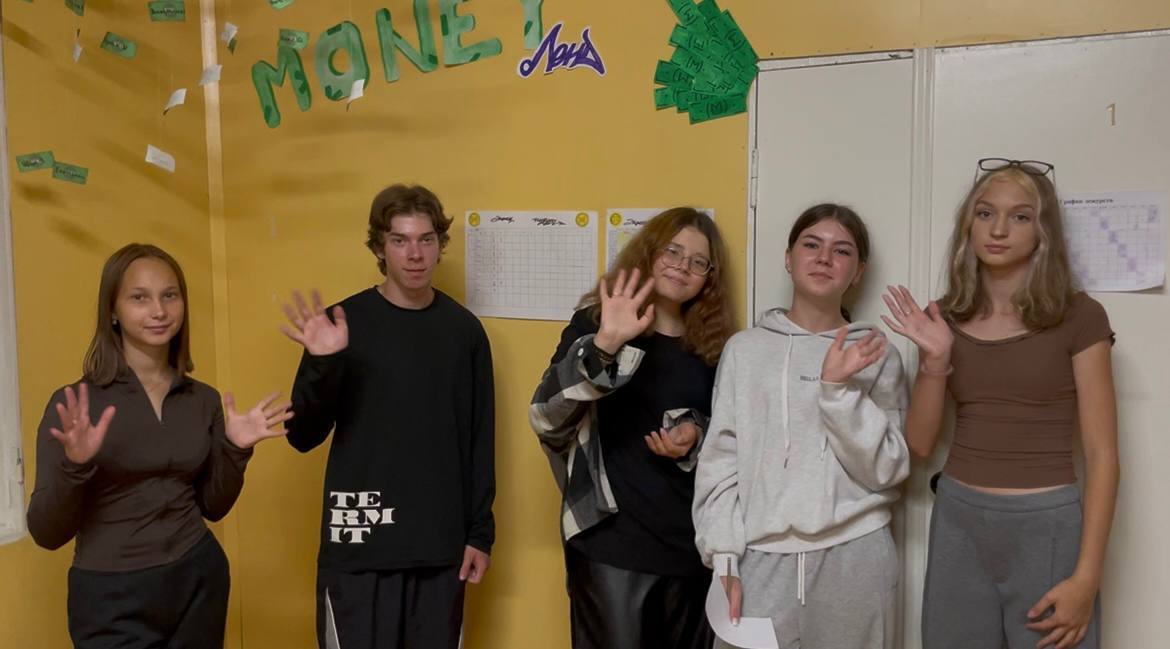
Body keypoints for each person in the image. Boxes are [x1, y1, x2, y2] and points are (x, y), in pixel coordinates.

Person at [883, 159, 1119, 649]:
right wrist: (936, 359)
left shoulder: (1081, 316)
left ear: (1043, 230)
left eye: (1020, 216)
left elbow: (1103, 454)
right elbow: (919, 445)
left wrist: (1088, 576)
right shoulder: (942, 316)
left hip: (1048, 527)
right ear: (968, 224)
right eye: (986, 213)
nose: (998, 229)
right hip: (959, 522)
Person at [27, 243, 291, 648]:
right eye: (139, 298)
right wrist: (75, 465)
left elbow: (213, 506)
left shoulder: (202, 399)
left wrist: (236, 449)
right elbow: (46, 532)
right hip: (111, 595)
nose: (159, 311)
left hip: (198, 578)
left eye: (170, 295)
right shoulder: (77, 405)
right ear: (113, 311)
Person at [282, 184, 495, 649]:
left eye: (425, 239)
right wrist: (323, 363)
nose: (414, 254)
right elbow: (301, 435)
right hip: (359, 546)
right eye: (400, 240)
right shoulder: (340, 324)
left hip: (439, 549)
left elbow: (480, 440)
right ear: (380, 247)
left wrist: (480, 533)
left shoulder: (464, 332)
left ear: (439, 245)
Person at [693, 203, 910, 649]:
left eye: (842, 250)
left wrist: (837, 391)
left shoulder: (875, 353)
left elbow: (887, 470)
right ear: (789, 259)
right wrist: (725, 559)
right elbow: (721, 462)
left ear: (858, 271)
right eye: (811, 245)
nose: (824, 258)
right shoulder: (745, 350)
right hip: (760, 558)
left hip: (855, 556)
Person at [529, 207, 735, 649]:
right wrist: (607, 343)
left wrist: (696, 435)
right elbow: (546, 416)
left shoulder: (714, 347)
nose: (682, 266)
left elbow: (731, 433)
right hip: (611, 544)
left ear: (709, 278)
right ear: (649, 252)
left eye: (698, 261)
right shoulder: (597, 323)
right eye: (672, 252)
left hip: (689, 547)